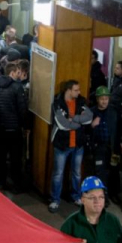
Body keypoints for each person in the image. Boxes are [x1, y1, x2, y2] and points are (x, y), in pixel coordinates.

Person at [49, 80, 94, 213]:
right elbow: (62, 125)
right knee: (58, 173)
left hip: (78, 144)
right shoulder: (58, 103)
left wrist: (74, 119)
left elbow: (89, 118)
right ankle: (55, 200)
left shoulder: (81, 102)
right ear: (68, 90)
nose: (79, 92)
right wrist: (79, 122)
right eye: (76, 90)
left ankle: (76, 196)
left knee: (77, 173)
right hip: (62, 144)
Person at [0, 61, 28, 192]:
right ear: (12, 73)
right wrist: (25, 126)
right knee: (15, 158)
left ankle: (1, 182)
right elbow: (22, 110)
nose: (19, 75)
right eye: (17, 73)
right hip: (14, 129)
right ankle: (16, 184)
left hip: (0, 127)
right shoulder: (17, 88)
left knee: (1, 156)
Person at [88, 86, 121, 206]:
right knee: (100, 172)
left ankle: (114, 194)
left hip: (112, 147)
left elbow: (118, 130)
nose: (104, 101)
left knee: (113, 171)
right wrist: (91, 125)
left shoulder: (113, 112)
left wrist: (119, 144)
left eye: (106, 98)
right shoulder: (91, 112)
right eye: (102, 98)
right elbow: (85, 131)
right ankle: (103, 197)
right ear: (97, 99)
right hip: (99, 147)